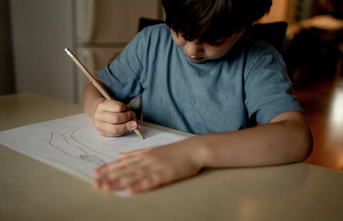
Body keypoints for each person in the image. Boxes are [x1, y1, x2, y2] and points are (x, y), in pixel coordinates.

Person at [83, 0, 313, 194]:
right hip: (153, 187)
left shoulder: (258, 62)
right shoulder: (151, 43)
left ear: (243, 27)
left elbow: (297, 136)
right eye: (179, 31)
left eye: (214, 41)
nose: (192, 50)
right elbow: (98, 86)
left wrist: (194, 152)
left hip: (218, 191)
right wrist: (97, 108)